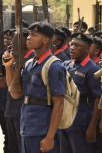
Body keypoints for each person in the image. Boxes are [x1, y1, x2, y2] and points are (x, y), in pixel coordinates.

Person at [20, 22, 66, 153]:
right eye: (29, 34)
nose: (29, 37)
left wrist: (50, 137)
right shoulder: (29, 63)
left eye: (34, 35)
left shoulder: (54, 66)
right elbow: (17, 93)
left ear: (46, 40)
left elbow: (59, 103)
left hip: (42, 129)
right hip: (27, 125)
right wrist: (9, 67)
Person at [60, 32, 102, 153]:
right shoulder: (66, 65)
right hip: (64, 115)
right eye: (71, 44)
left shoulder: (93, 69)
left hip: (81, 118)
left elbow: (98, 98)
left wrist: (92, 127)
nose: (72, 48)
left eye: (77, 45)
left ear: (88, 49)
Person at [3, 27, 35, 153]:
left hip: (22, 110)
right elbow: (10, 86)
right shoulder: (16, 58)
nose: (11, 44)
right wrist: (8, 67)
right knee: (13, 146)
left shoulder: (30, 60)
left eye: (16, 40)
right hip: (11, 108)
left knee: (22, 146)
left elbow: (17, 92)